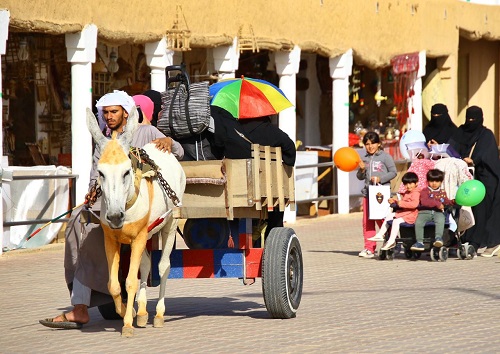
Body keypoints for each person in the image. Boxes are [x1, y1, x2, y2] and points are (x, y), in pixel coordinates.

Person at [39, 91, 184, 329]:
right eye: (105, 112)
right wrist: (91, 194)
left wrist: (169, 141)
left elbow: (177, 152)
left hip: (140, 207)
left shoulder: (145, 132)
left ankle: (81, 306)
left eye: (114, 111)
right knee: (76, 221)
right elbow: (96, 177)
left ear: (126, 112)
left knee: (92, 239)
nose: (108, 116)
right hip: (106, 203)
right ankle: (84, 297)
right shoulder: (103, 143)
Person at [210, 106, 296, 240]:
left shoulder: (231, 129)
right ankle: (271, 236)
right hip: (263, 190)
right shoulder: (272, 131)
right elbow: (290, 151)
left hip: (233, 188)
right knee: (277, 204)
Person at [448, 106, 500, 257]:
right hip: (463, 178)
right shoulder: (460, 132)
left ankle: (477, 242)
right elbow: (450, 148)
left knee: (480, 209)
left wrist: (474, 160)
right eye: (468, 118)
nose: (470, 122)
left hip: (484, 180)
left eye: (473, 119)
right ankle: (463, 239)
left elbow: (488, 155)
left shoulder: (486, 135)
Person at [356, 131, 397, 258]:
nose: (370, 146)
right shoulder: (364, 159)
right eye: (367, 144)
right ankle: (369, 248)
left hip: (381, 193)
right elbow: (359, 177)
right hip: (368, 194)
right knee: (367, 221)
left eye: (373, 143)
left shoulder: (385, 157)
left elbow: (393, 172)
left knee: (382, 219)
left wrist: (381, 179)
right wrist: (362, 169)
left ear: (378, 144)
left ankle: (390, 241)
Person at [368, 172, 420, 251]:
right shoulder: (407, 193)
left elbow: (414, 204)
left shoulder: (416, 193)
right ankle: (381, 234)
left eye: (410, 183)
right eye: (406, 184)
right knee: (389, 215)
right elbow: (403, 202)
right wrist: (395, 201)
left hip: (411, 215)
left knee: (396, 221)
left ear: (416, 183)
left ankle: (391, 241)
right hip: (405, 213)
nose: (408, 186)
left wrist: (401, 203)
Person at [411, 169, 453, 251]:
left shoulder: (442, 192)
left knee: (441, 220)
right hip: (424, 212)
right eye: (431, 181)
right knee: (419, 222)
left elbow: (445, 201)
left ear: (441, 182)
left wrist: (452, 202)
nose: (434, 183)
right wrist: (437, 204)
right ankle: (419, 242)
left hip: (438, 213)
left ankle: (438, 238)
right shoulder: (425, 191)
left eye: (437, 181)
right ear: (428, 181)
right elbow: (424, 201)